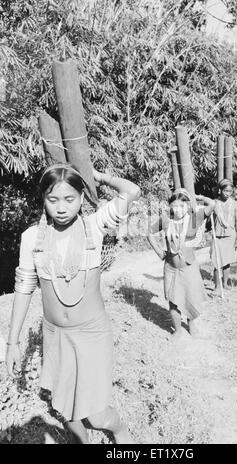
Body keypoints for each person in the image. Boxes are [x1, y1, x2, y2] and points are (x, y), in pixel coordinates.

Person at [5, 163, 141, 444]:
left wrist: (100, 178)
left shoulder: (95, 226)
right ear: (43, 199)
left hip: (92, 333)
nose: (62, 207)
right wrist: (13, 342)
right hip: (56, 336)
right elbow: (24, 289)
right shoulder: (32, 238)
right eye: (53, 200)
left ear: (81, 197)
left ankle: (119, 431)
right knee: (66, 410)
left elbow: (132, 190)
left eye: (70, 199)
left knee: (97, 415)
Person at [148, 188, 215, 340]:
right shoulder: (166, 220)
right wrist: (159, 252)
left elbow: (212, 205)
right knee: (173, 300)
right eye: (175, 206)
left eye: (182, 206)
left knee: (191, 298)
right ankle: (177, 330)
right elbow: (149, 233)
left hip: (189, 267)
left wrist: (199, 196)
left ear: (188, 206)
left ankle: (192, 325)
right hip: (171, 268)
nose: (178, 210)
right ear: (170, 206)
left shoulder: (194, 218)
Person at [211, 179, 237, 292]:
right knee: (217, 261)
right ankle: (217, 285)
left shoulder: (234, 204)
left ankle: (225, 283)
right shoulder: (214, 203)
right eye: (225, 191)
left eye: (229, 191)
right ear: (220, 190)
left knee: (227, 261)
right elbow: (208, 216)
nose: (227, 193)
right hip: (217, 235)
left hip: (230, 235)